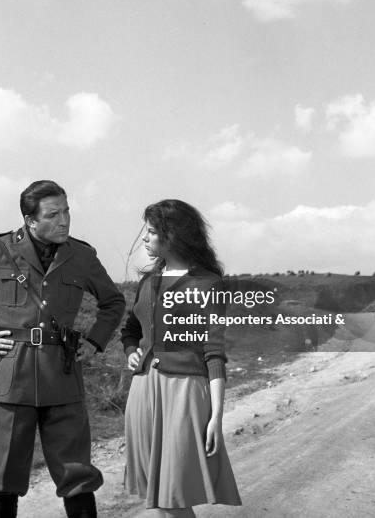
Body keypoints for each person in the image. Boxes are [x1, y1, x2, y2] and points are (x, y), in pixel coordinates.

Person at [0, 180, 125, 518]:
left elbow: (113, 301)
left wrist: (94, 341)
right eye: (53, 214)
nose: (64, 220)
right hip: (10, 378)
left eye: (66, 211)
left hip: (62, 378)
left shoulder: (81, 255)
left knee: (77, 477)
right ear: (30, 220)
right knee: (3, 479)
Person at [121, 200, 241, 518]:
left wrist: (216, 415)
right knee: (159, 497)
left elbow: (214, 353)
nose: (145, 239)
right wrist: (132, 352)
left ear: (171, 235)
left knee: (174, 497)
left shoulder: (207, 284)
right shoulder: (148, 282)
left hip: (185, 393)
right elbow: (130, 330)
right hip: (144, 392)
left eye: (151, 232)